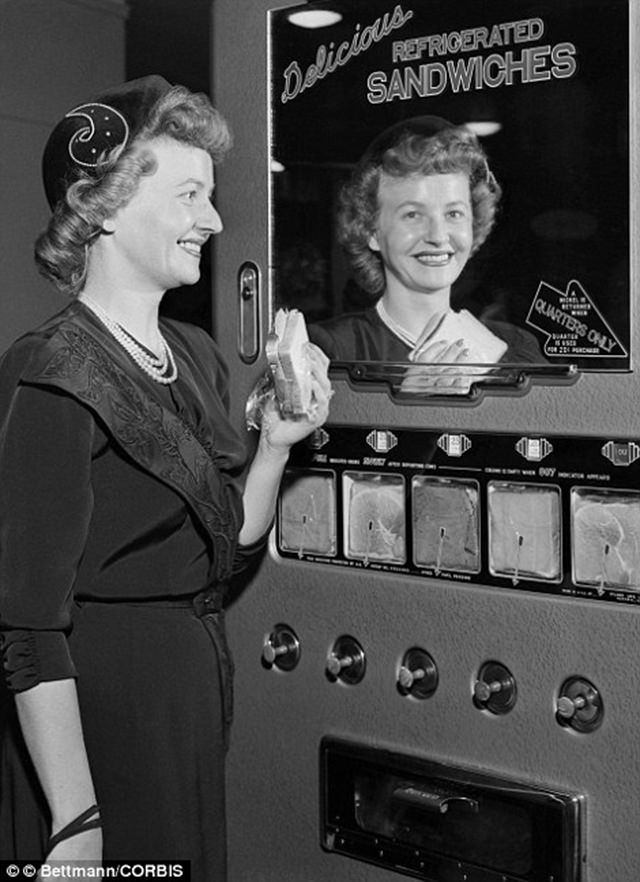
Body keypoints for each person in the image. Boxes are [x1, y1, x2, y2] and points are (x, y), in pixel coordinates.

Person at [0, 76, 331, 876]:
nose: (213, 221)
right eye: (190, 195)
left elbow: (229, 541)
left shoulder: (196, 355)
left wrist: (279, 445)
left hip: (184, 698)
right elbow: (24, 624)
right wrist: (73, 814)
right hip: (94, 719)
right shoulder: (49, 372)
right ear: (104, 205)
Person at [308, 116, 543, 390]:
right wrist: (407, 406)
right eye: (413, 215)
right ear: (371, 231)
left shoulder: (514, 348)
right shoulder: (331, 349)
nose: (438, 236)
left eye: (454, 213)